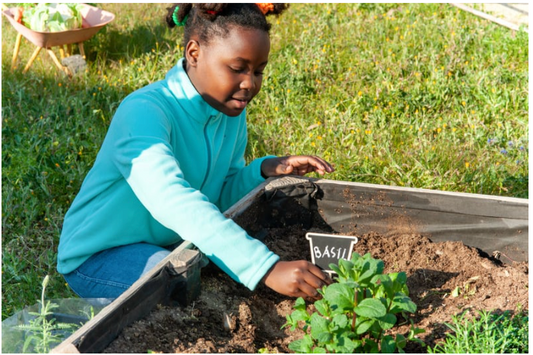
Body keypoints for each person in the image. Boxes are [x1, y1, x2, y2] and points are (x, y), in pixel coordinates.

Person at [57, 3, 334, 301]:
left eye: (258, 71)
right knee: (182, 290)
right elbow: (172, 200)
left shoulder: (228, 112)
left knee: (198, 273)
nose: (250, 83)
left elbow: (218, 196)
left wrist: (263, 170)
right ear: (194, 53)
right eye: (237, 68)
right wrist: (266, 269)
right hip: (101, 257)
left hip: (172, 243)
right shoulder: (144, 112)